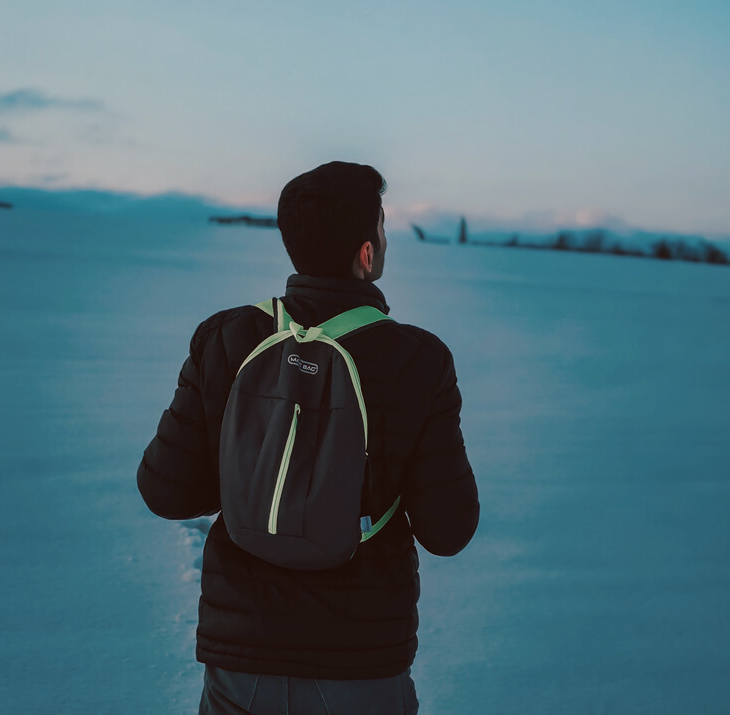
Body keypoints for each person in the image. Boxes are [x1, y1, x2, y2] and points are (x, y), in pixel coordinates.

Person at [137, 161, 479, 715]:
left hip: (239, 660)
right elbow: (449, 529)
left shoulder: (224, 337)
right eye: (383, 226)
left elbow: (164, 491)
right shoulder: (419, 360)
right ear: (367, 254)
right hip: (360, 663)